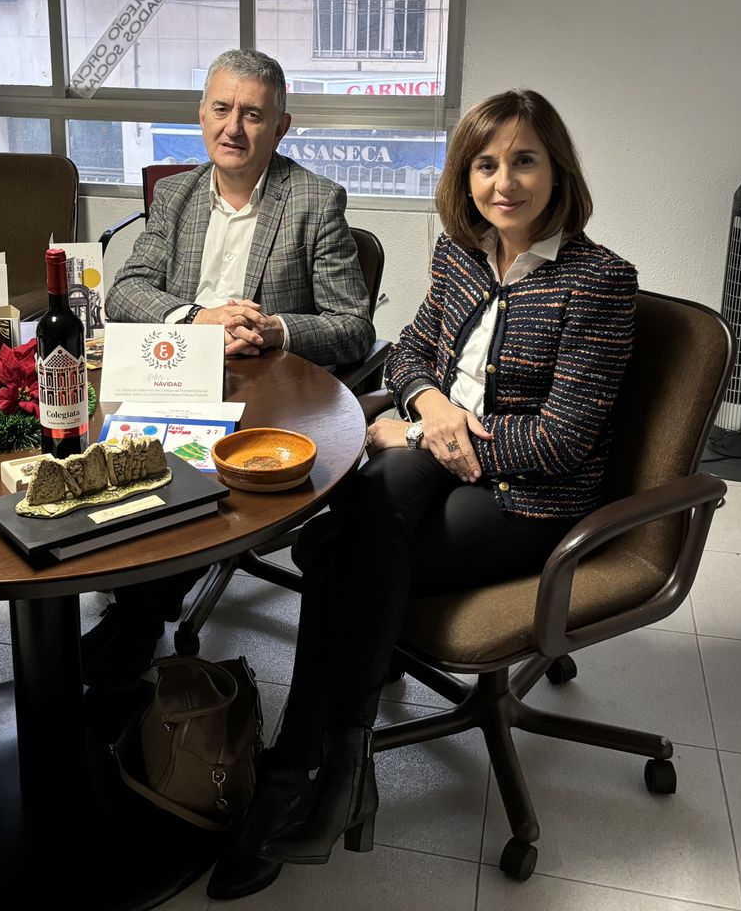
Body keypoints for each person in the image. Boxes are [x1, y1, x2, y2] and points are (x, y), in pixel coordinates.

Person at [207, 90, 637, 900]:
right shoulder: (461, 253)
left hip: (528, 497)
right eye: (485, 164)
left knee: (336, 551)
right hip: (441, 458)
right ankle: (337, 765)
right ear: (464, 175)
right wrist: (431, 407)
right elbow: (407, 352)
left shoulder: (600, 282)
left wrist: (423, 436)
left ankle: (300, 770)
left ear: (558, 171)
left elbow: (563, 440)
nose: (503, 182)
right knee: (354, 534)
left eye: (524, 161)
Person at [90, 48, 374, 687]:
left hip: (267, 396)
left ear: (281, 126)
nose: (233, 128)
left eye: (253, 114)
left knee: (182, 474)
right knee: (117, 461)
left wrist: (275, 328)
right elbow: (126, 290)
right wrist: (196, 317)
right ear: (202, 115)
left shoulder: (315, 200)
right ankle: (134, 599)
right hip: (174, 374)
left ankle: (138, 619)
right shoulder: (176, 195)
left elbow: (354, 326)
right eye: (222, 109)